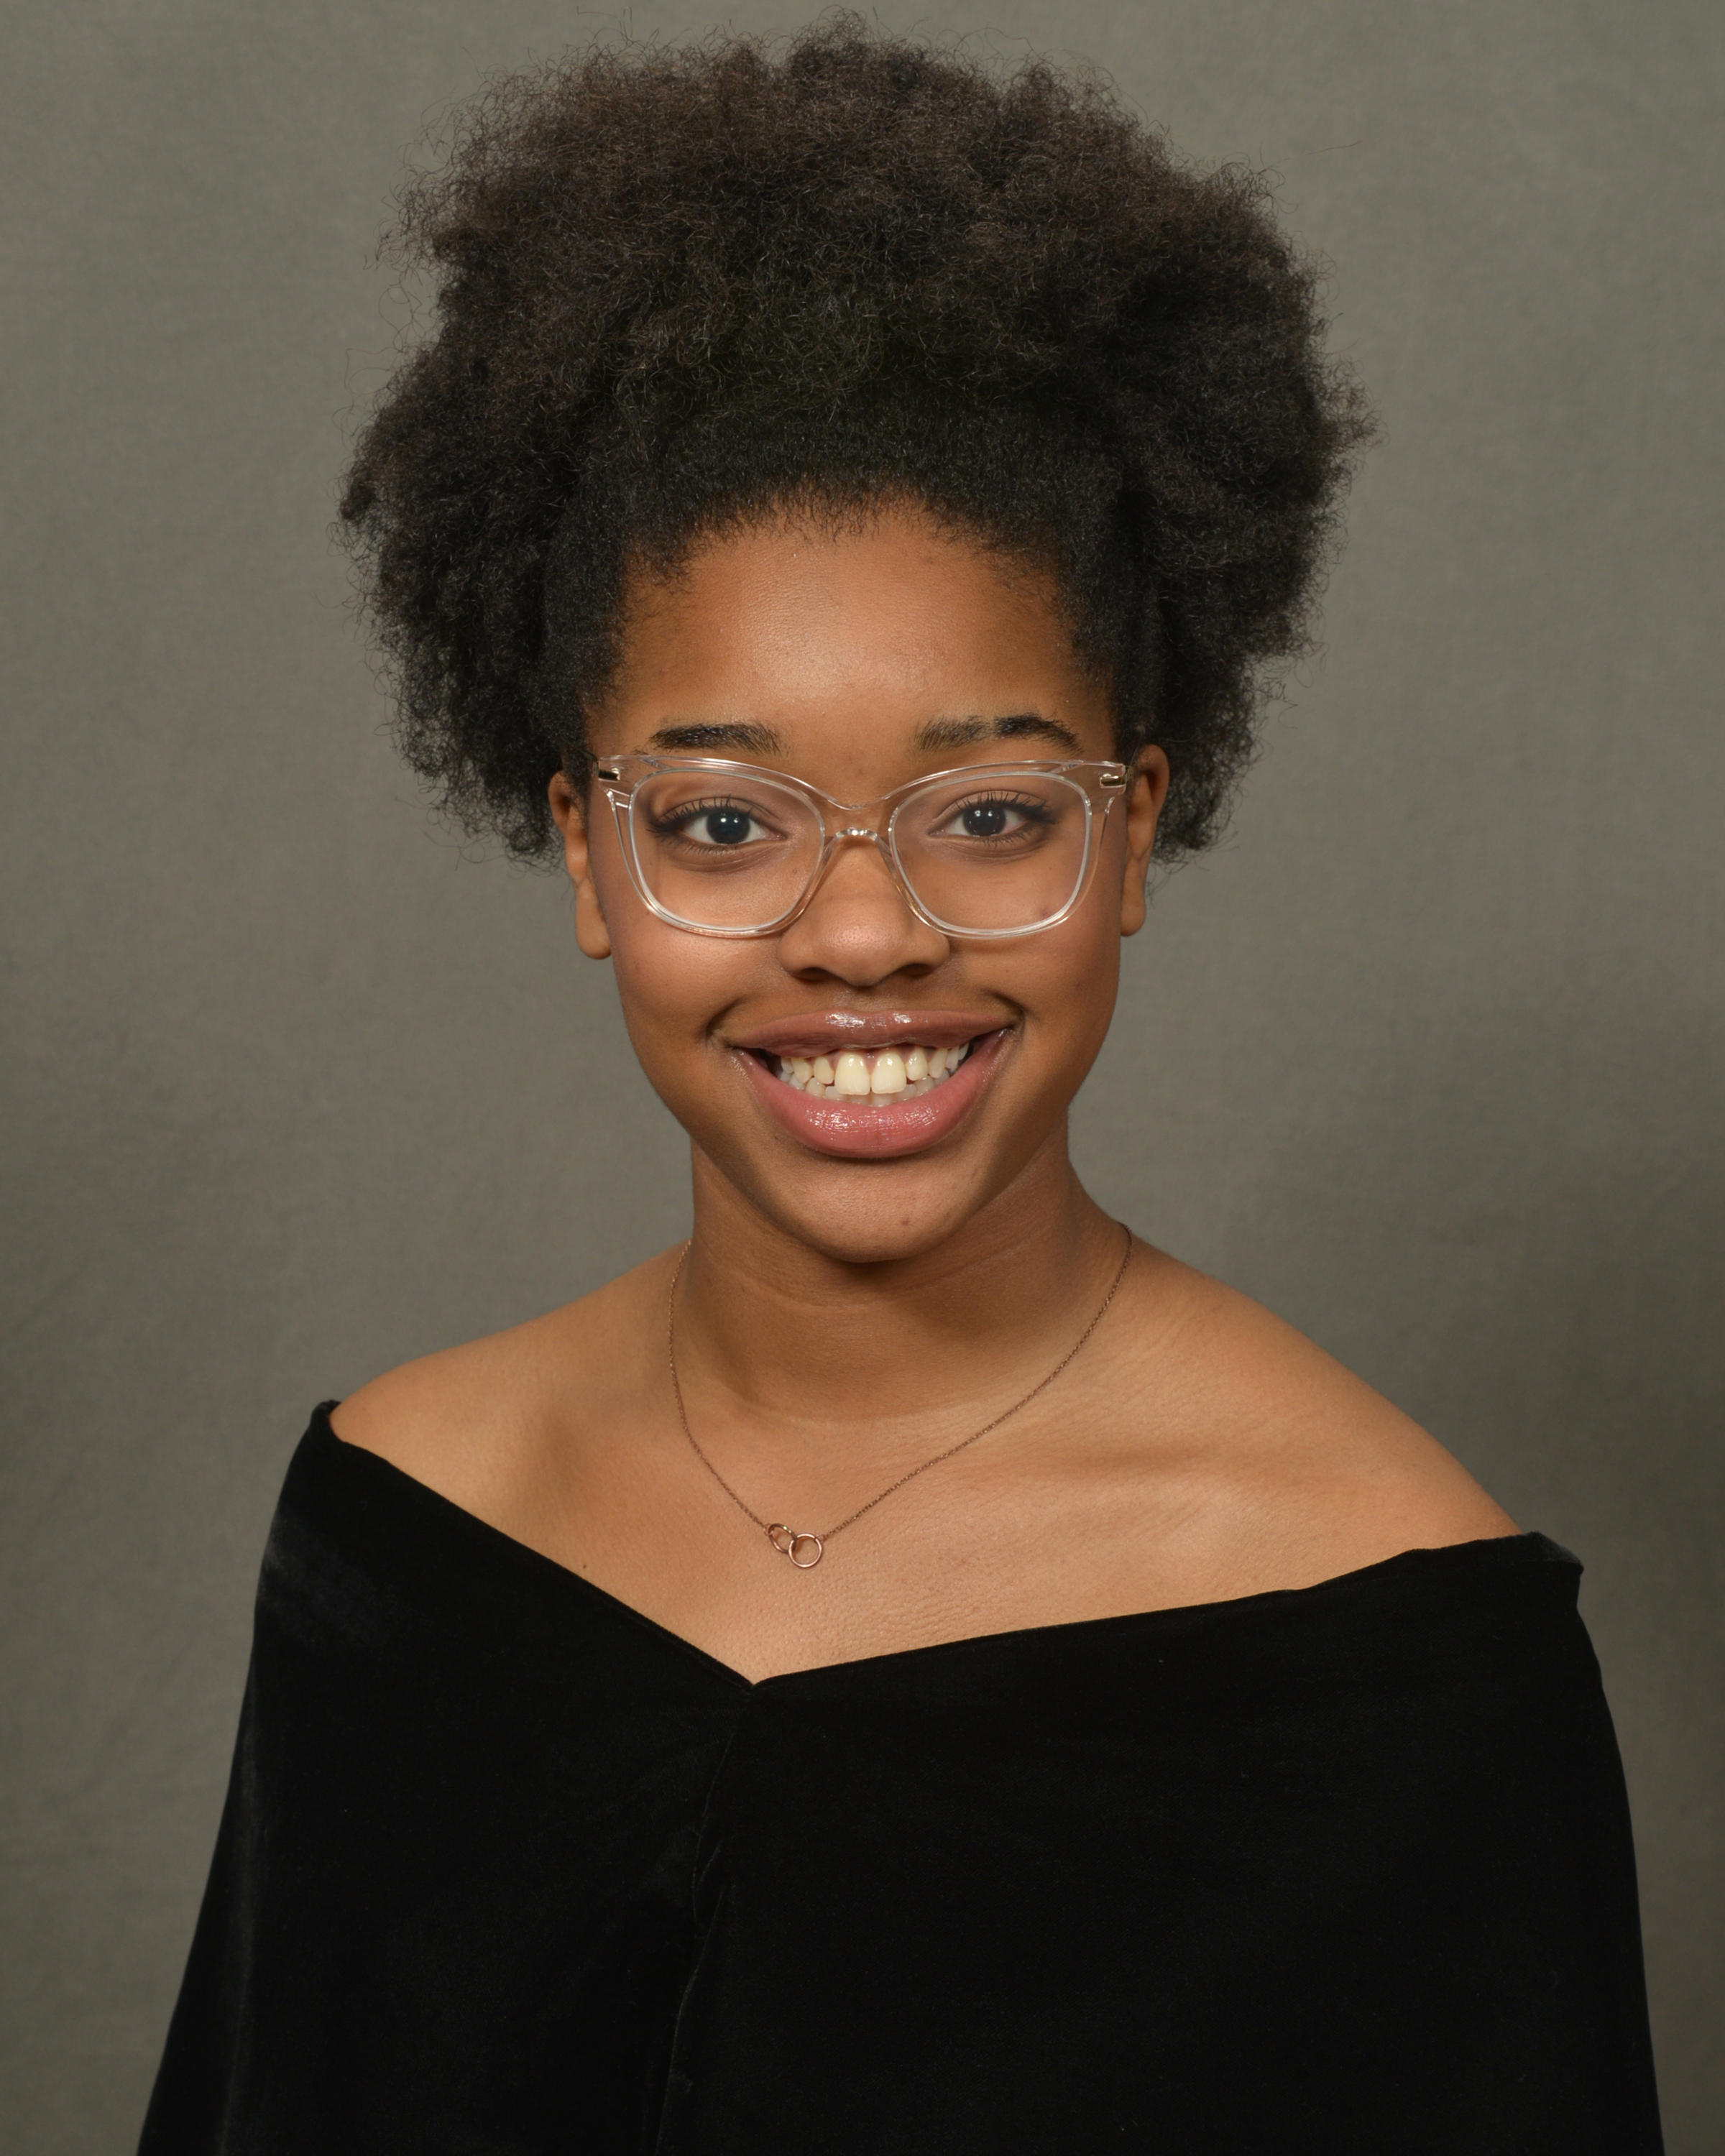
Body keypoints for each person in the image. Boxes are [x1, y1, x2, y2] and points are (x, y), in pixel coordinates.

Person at [139, 19, 1662, 2152]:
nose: (864, 936)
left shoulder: (1400, 1658)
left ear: (1133, 834)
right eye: (723, 821)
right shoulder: (400, 1539)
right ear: (584, 852)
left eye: (993, 814)